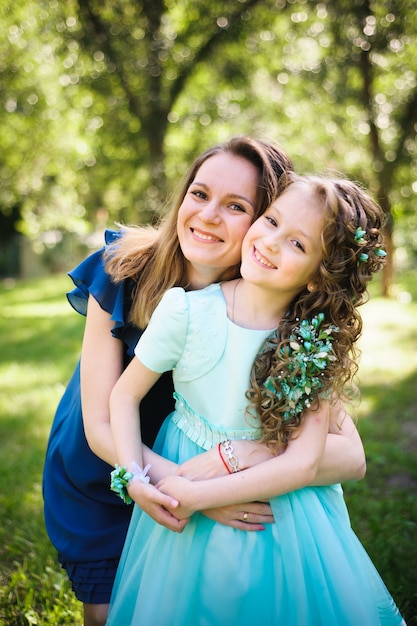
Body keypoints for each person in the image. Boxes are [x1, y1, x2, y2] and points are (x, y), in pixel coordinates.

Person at [42, 137, 365, 626]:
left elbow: (348, 454)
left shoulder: (274, 303)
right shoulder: (124, 269)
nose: (209, 215)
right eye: (199, 193)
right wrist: (187, 490)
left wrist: (240, 460)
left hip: (204, 471)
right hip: (109, 466)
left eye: (236, 206)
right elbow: (103, 419)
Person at [106, 173, 405, 625]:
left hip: (281, 509)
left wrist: (198, 494)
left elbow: (303, 464)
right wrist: (134, 475)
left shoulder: (311, 344)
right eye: (270, 221)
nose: (269, 243)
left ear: (317, 278)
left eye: (298, 245)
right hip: (186, 484)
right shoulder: (186, 311)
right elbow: (124, 396)